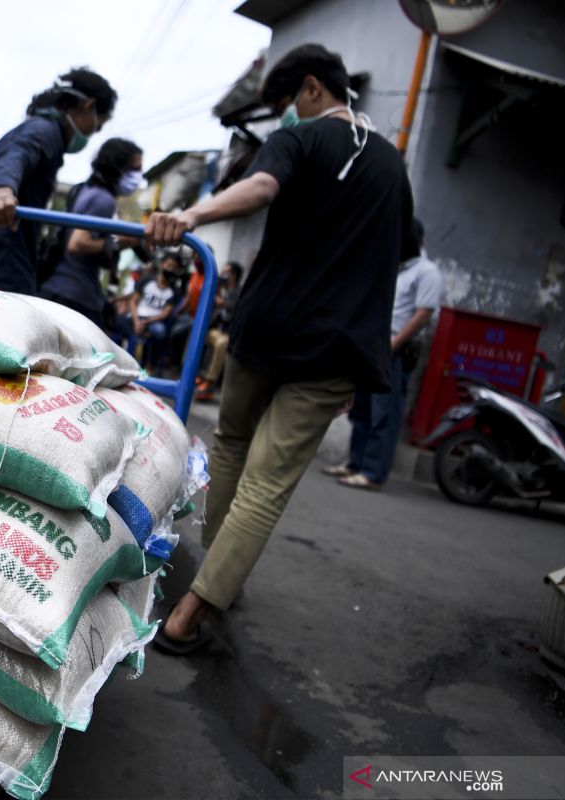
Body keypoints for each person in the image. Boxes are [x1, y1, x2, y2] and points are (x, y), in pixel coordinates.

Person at [144, 43, 417, 654]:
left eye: (284, 103)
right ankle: (197, 606)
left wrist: (187, 215)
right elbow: (402, 248)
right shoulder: (392, 166)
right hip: (337, 345)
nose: (283, 117)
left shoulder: (299, 140)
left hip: (267, 325)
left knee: (233, 446)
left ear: (313, 90)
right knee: (268, 482)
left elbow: (263, 186)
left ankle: (216, 572)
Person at [0, 68, 117, 295]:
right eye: (98, 126)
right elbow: (15, 156)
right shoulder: (44, 131)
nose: (93, 133)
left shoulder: (46, 134)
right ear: (88, 106)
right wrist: (2, 191)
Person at [325, 219, 441, 489]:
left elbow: (423, 314)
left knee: (384, 413)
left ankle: (373, 473)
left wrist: (392, 346)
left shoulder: (427, 271)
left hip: (394, 351)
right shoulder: (394, 268)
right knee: (362, 409)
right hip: (373, 346)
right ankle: (356, 463)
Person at [40, 138, 144, 327]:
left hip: (58, 289)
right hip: (74, 296)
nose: (139, 177)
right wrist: (121, 242)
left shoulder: (84, 189)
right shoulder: (103, 200)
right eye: (135, 169)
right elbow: (77, 243)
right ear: (118, 167)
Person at [116, 252, 181, 368]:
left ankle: (150, 365)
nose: (171, 270)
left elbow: (166, 313)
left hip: (154, 321)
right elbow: (133, 301)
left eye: (174, 268)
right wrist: (136, 320)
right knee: (117, 323)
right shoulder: (147, 280)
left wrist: (147, 321)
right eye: (169, 265)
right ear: (162, 264)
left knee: (160, 332)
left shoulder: (173, 291)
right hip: (137, 316)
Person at [192, 261, 245, 401]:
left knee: (222, 343)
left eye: (228, 273)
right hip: (214, 328)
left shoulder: (240, 293)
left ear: (235, 275)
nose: (224, 276)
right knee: (197, 334)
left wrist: (226, 305)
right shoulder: (217, 289)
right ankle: (192, 374)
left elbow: (240, 315)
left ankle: (209, 382)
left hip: (228, 333)